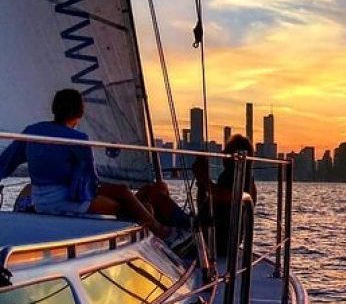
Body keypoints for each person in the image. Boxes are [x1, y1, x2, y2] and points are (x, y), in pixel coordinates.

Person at [0, 88, 173, 238]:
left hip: (40, 199)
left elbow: (6, 162)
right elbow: (89, 181)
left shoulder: (32, 132)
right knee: (130, 199)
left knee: (124, 193)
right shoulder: (79, 139)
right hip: (66, 200)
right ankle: (160, 230)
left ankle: (147, 214)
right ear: (80, 113)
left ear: (54, 109)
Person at [193, 134, 258, 255]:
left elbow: (223, 196)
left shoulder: (243, 179)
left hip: (217, 242)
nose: (223, 154)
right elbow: (205, 205)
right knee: (160, 189)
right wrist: (202, 183)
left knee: (158, 199)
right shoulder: (228, 176)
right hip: (205, 233)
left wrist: (204, 177)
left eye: (226, 152)